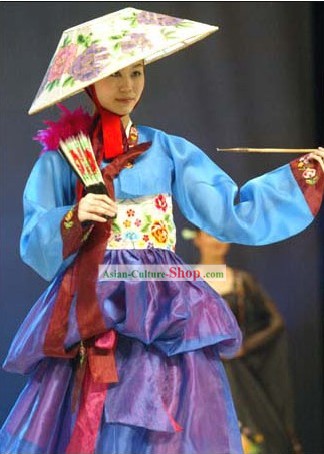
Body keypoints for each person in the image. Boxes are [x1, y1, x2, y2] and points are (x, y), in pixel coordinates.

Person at [0, 8, 323, 454]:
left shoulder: (168, 150)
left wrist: (303, 176)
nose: (128, 87)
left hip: (161, 301)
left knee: (168, 414)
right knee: (91, 415)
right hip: (94, 297)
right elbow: (34, 236)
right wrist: (73, 217)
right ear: (89, 83)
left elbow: (229, 210)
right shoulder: (62, 157)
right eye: (115, 75)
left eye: (136, 72)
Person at [190, 229, 303, 454]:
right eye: (210, 234)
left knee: (252, 438)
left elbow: (275, 323)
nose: (217, 241)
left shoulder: (241, 282)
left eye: (222, 234)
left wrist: (244, 347)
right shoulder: (186, 280)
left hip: (237, 377)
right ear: (198, 239)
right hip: (198, 373)